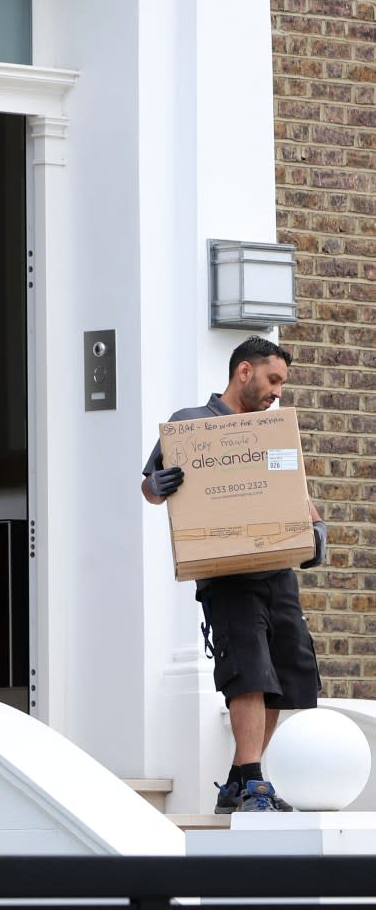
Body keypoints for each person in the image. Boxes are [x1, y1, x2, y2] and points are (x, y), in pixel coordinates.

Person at [142, 336, 327, 813]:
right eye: (272, 380)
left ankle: (237, 783)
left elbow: (298, 499)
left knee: (285, 677)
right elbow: (151, 486)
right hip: (226, 576)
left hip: (277, 572)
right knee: (248, 673)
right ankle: (254, 783)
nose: (276, 392)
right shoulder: (191, 426)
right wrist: (155, 486)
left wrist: (314, 531)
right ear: (244, 372)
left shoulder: (275, 432)